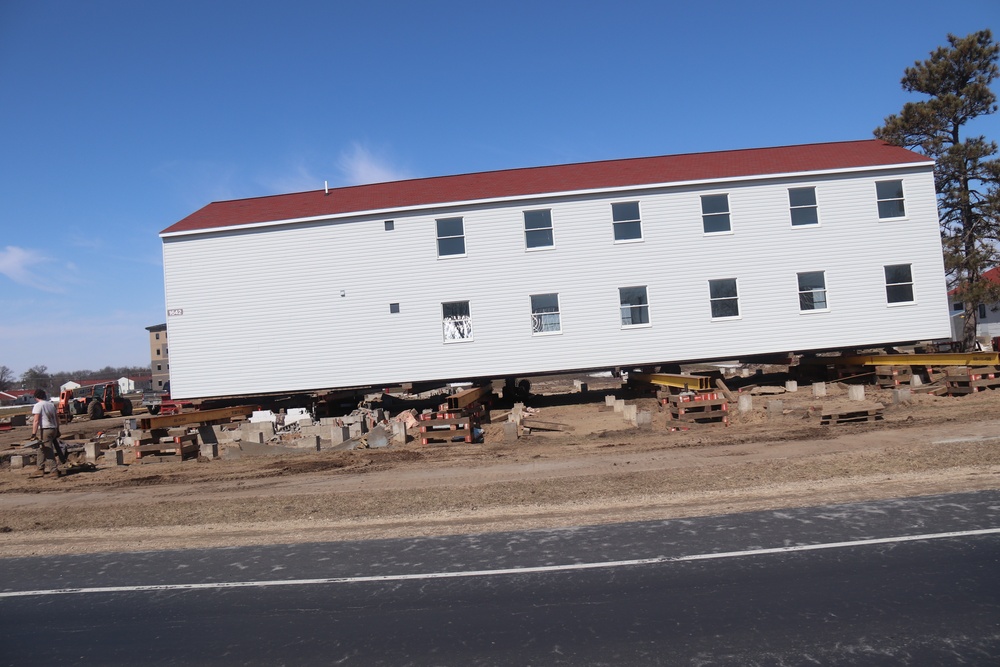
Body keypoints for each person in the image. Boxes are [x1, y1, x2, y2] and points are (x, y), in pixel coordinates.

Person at [29, 388, 62, 478]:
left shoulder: (38, 405)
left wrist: (33, 434)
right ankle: (40, 468)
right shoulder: (51, 405)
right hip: (53, 428)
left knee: (47, 450)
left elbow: (36, 421)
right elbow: (56, 419)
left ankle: (54, 470)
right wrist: (58, 430)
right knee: (41, 448)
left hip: (46, 429)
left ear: (36, 397)